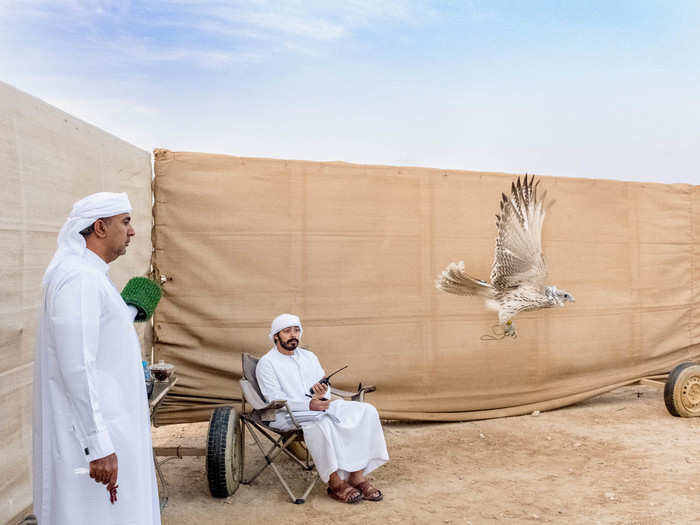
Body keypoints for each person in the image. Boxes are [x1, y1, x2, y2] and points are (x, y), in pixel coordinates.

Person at [33, 192, 160, 525]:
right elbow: (76, 364)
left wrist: (126, 309)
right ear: (100, 227)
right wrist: (97, 443)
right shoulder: (78, 277)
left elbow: (95, 339)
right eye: (126, 222)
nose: (132, 231)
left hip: (111, 425)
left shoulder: (89, 276)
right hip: (92, 437)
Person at [256, 313, 389, 504]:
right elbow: (274, 399)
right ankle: (336, 484)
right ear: (276, 335)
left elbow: (322, 386)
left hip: (318, 406)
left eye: (296, 330)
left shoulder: (309, 356)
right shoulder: (267, 364)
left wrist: (320, 394)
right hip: (286, 414)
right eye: (287, 331)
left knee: (367, 411)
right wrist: (309, 404)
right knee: (322, 422)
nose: (293, 335)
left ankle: (356, 476)